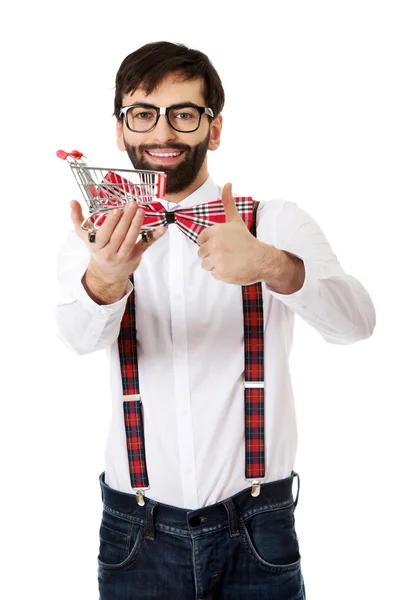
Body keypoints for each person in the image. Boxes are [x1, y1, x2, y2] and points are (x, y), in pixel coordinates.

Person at [56, 41, 376, 600]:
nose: (163, 133)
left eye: (183, 113)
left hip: (259, 528)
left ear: (215, 128)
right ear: (120, 130)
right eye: (143, 113)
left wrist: (272, 265)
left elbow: (357, 323)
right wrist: (105, 279)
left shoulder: (276, 220)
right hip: (135, 531)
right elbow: (76, 339)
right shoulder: (97, 235)